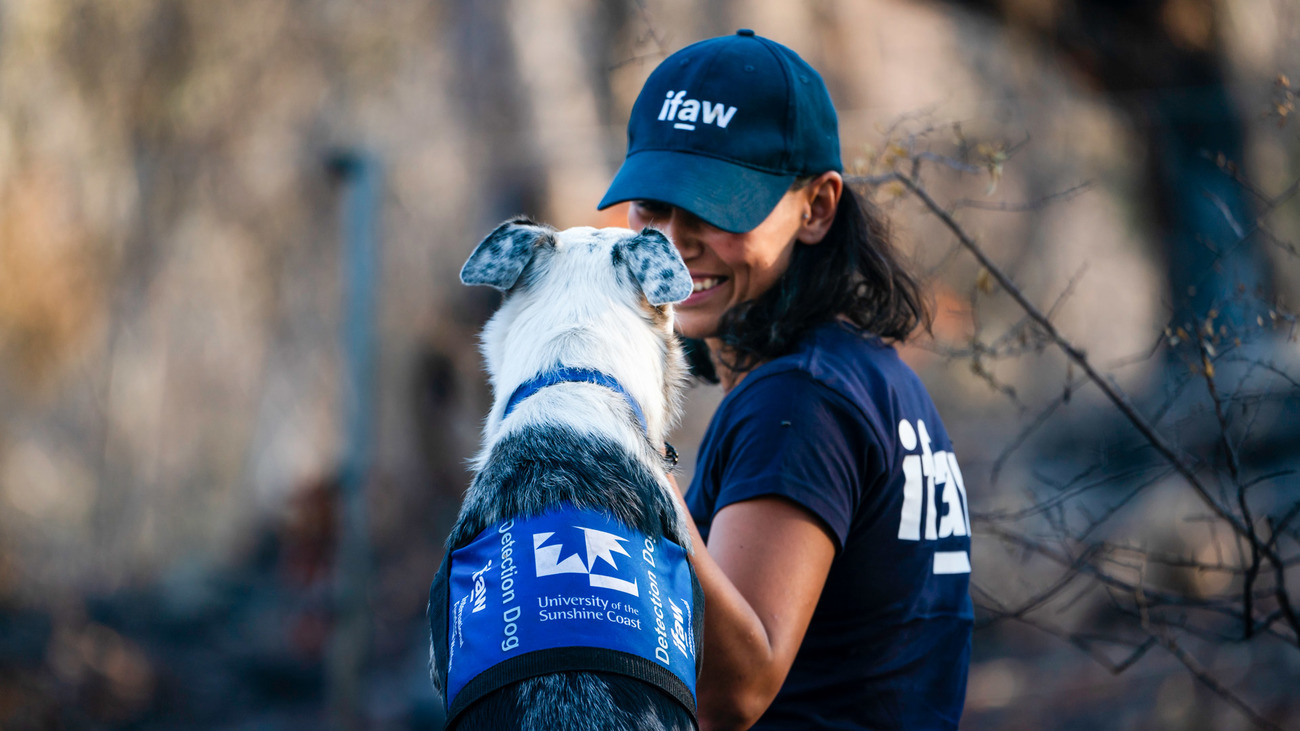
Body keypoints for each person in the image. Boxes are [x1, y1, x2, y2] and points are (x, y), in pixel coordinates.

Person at [598, 30, 973, 730]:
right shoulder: (857, 372)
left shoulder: (801, 400)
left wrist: (633, 473)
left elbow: (730, 693)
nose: (672, 245)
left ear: (818, 207)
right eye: (651, 205)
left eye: (713, 207)